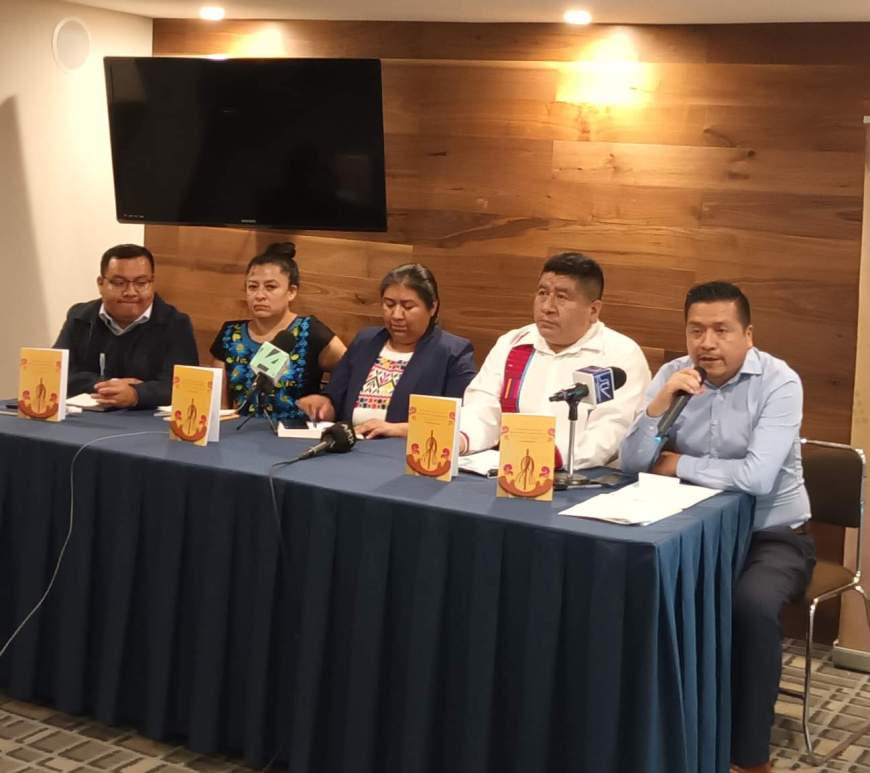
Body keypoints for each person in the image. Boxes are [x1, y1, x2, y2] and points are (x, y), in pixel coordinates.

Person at [619, 281, 815, 773]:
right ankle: (660, 735)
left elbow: (757, 477)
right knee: (634, 586)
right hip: (689, 531)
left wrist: (677, 463)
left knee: (751, 606)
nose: (706, 343)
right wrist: (659, 407)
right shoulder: (674, 375)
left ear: (748, 334)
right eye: (696, 331)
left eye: (721, 330)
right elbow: (631, 462)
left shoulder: (779, 382)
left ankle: (748, 758)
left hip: (770, 535)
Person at [459, 252, 650, 467]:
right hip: (511, 470)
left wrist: (549, 458)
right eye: (542, 293)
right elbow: (483, 408)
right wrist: (461, 440)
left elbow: (611, 430)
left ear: (593, 310)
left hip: (583, 476)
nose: (547, 307)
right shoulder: (513, 343)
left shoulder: (620, 354)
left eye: (561, 297)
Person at [297, 263, 476, 438]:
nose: (396, 315)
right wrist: (323, 405)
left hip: (403, 451)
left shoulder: (452, 353)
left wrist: (395, 429)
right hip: (352, 447)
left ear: (432, 307)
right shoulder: (365, 342)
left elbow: (458, 423)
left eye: (408, 307)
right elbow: (335, 398)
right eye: (389, 305)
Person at [210, 242, 346, 423]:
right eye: (252, 287)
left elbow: (353, 370)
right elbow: (219, 406)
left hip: (295, 434)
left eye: (270, 287)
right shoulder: (230, 334)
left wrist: (327, 399)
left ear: (291, 292)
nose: (259, 295)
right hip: (239, 432)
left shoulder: (310, 331)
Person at [54, 243, 198, 409]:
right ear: (101, 283)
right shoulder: (80, 317)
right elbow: (55, 372)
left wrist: (137, 394)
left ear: (152, 283)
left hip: (145, 420)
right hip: (85, 416)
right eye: (119, 283)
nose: (130, 292)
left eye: (141, 283)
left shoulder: (175, 324)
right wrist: (108, 385)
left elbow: (185, 386)